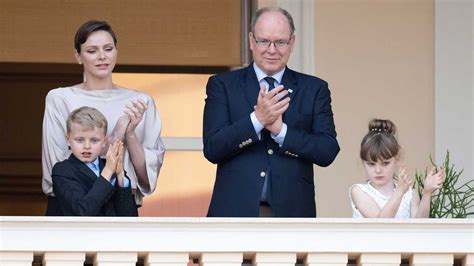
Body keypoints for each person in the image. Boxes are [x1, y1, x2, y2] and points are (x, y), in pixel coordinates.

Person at [203, 7, 340, 217]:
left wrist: (281, 131)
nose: (272, 50)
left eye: (280, 42)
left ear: (292, 42)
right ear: (251, 41)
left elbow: (327, 150)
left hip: (292, 214)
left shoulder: (314, 89)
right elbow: (213, 148)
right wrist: (257, 120)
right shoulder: (222, 85)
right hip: (234, 213)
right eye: (264, 41)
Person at [42, 20, 165, 215]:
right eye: (92, 51)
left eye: (108, 49)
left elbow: (146, 177)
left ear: (116, 51)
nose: (102, 56)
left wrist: (130, 134)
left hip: (121, 205)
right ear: (78, 56)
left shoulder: (140, 101)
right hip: (70, 207)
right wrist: (117, 133)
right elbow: (60, 167)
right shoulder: (60, 98)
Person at [349, 118, 445, 218]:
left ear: (397, 158)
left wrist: (427, 193)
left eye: (385, 163)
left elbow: (419, 227)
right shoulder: (358, 191)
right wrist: (399, 191)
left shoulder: (409, 194)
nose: (378, 170)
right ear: (363, 163)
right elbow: (380, 224)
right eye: (371, 164)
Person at [52, 106, 138, 216]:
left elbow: (130, 218)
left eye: (94, 140)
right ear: (68, 140)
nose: (87, 146)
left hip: (112, 233)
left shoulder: (112, 168)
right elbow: (83, 211)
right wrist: (107, 171)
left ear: (104, 142)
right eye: (80, 140)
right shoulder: (62, 170)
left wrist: (120, 175)